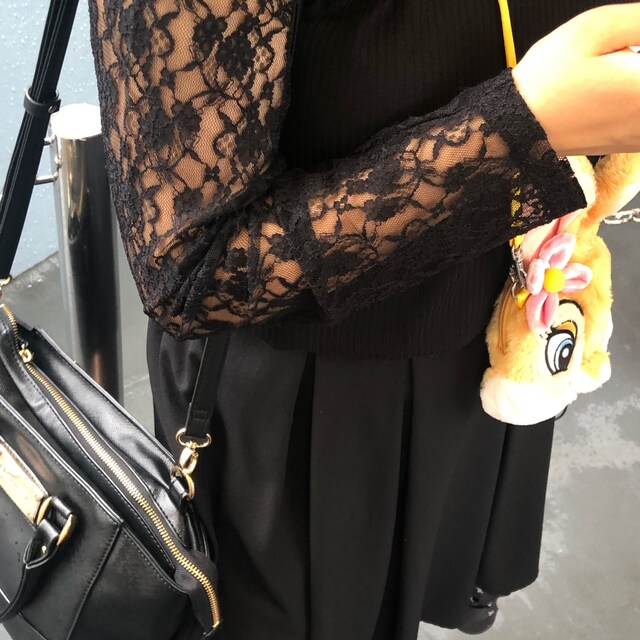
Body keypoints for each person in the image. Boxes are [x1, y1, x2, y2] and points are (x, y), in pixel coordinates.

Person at [87, 1, 640, 638]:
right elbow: (194, 272)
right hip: (312, 397)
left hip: (501, 325)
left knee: (426, 568)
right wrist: (521, 128)